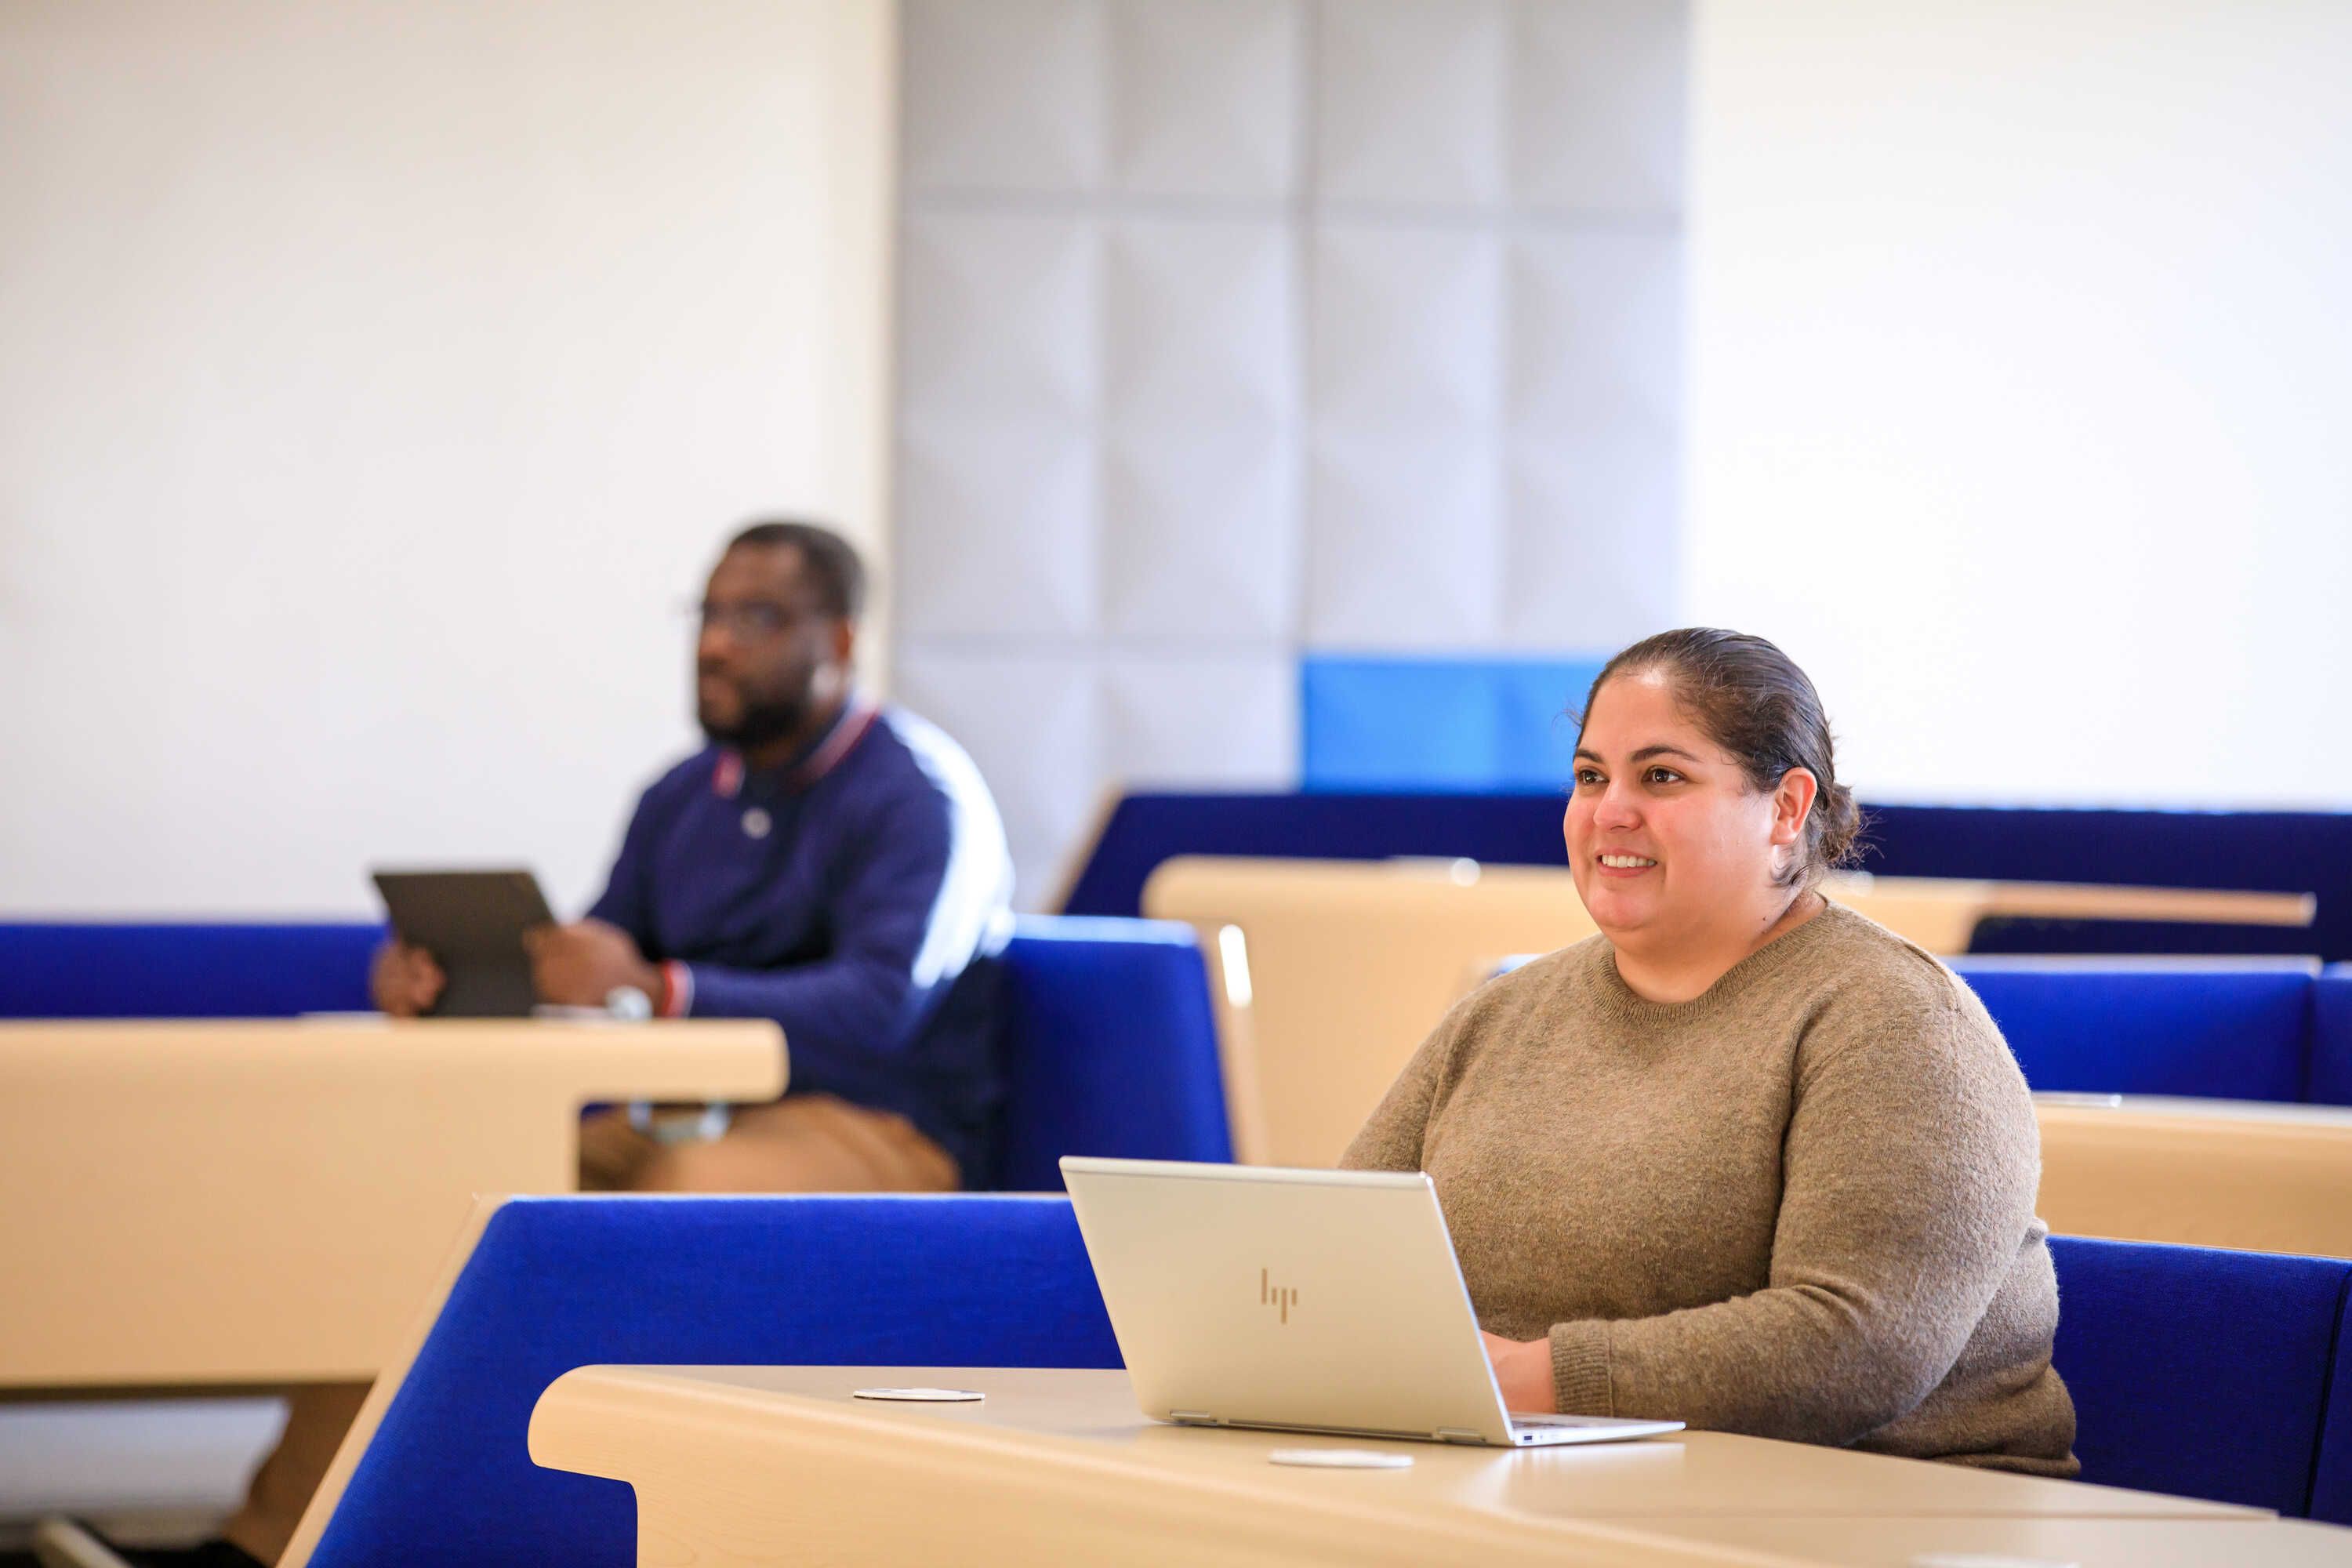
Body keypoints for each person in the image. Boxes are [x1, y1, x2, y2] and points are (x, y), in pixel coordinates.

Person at [193, 520, 1014, 1567]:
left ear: (841, 642)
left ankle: (570, 1538)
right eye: (708, 614)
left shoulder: (917, 797)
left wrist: (662, 988)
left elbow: (878, 1006)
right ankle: (281, 1543)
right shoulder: (680, 799)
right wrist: (457, 981)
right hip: (685, 1110)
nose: (716, 644)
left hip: (879, 1128)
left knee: (673, 1199)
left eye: (756, 617)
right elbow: (592, 972)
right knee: (438, 1204)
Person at [1342, 628, 2078, 1475]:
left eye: (1662, 775)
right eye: (1591, 776)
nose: (1609, 809)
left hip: (1877, 1508)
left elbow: (1852, 1347)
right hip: (1549, 1483)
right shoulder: (1502, 1012)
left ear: (1787, 809)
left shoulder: (1899, 1021)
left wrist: (1520, 1376)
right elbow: (1333, 1251)